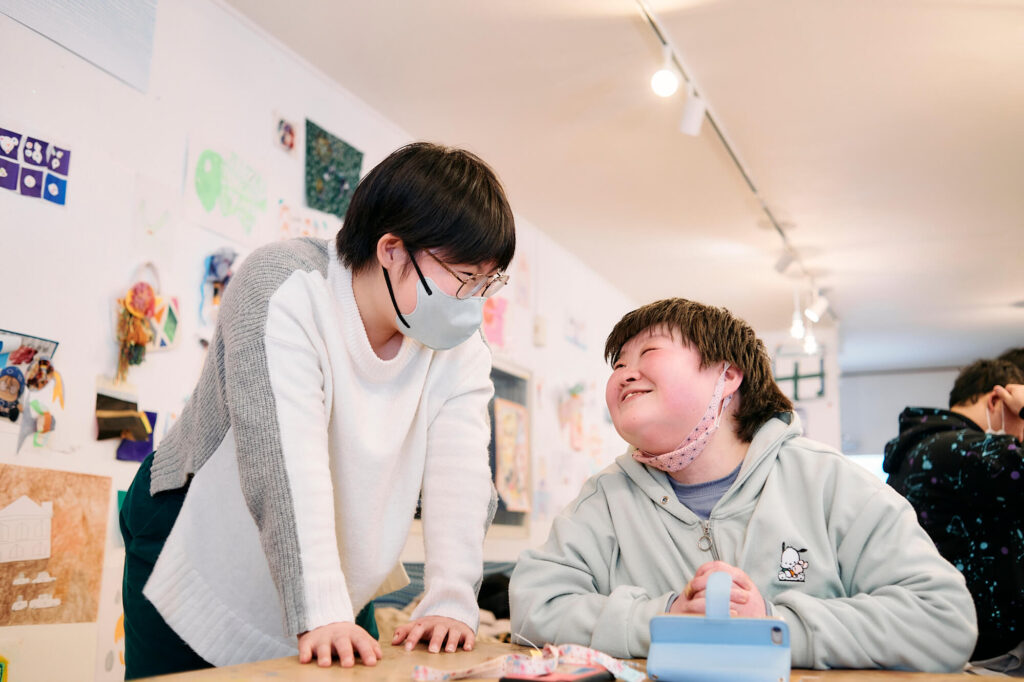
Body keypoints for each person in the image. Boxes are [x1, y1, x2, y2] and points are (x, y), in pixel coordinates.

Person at [119, 143, 516, 679]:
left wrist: (450, 598)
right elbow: (284, 458)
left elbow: (462, 475)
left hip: (332, 552)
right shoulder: (285, 285)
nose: (474, 301)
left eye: (487, 282)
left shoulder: (460, 348)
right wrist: (323, 611)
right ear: (393, 249)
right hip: (199, 529)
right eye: (464, 276)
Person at [510, 298, 976, 672]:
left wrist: (773, 625)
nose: (624, 373)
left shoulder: (831, 483)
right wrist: (664, 617)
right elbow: (534, 606)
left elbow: (944, 619)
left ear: (727, 375)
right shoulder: (605, 499)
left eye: (648, 353)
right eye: (618, 364)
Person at [883, 358, 1024, 661]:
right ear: (997, 399)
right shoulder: (971, 450)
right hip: (989, 643)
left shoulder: (916, 449)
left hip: (936, 628)